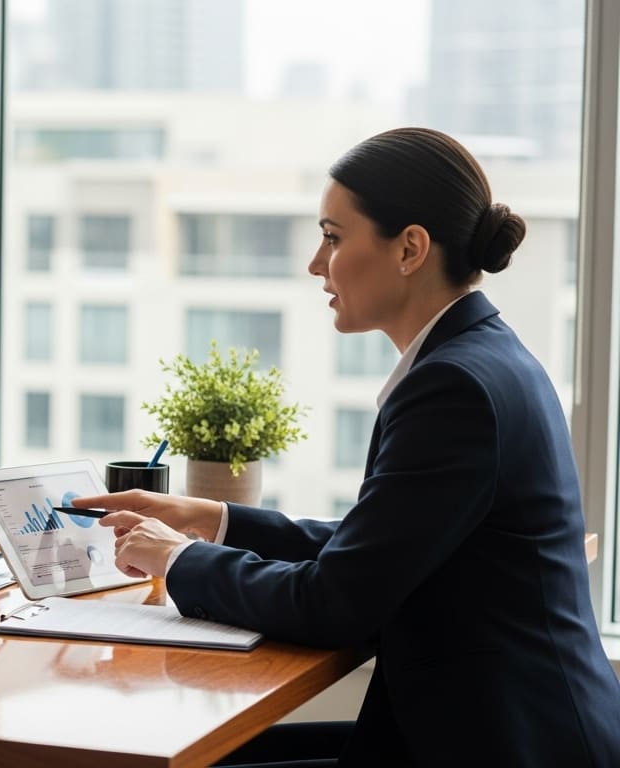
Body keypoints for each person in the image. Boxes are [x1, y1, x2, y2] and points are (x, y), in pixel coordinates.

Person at [76, 127, 620, 767]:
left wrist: (180, 560)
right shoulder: (480, 356)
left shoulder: (453, 387)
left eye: (333, 238)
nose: (315, 263)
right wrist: (216, 521)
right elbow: (381, 546)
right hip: (488, 729)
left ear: (410, 249)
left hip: (500, 746)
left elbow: (332, 603)